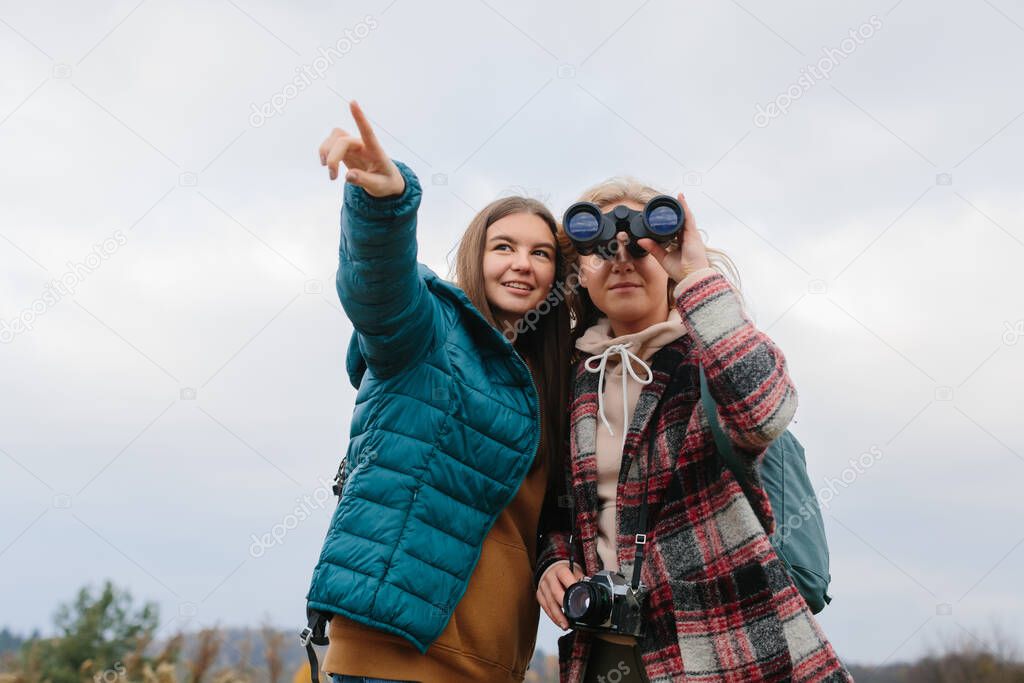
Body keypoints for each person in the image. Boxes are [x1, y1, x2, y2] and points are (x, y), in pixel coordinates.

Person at [535, 178, 853, 682]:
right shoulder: (570, 381)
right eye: (601, 249)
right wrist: (552, 562)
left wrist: (697, 277)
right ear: (579, 272)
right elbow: (554, 506)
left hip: (729, 645)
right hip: (610, 655)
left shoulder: (709, 357)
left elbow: (764, 412)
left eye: (639, 246)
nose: (620, 260)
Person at [306, 101, 572, 683]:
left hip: (495, 657)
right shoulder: (430, 330)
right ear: (476, 253)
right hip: (396, 649)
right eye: (504, 246)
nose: (521, 264)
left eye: (541, 252)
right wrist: (384, 204)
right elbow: (377, 288)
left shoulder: (554, 381)